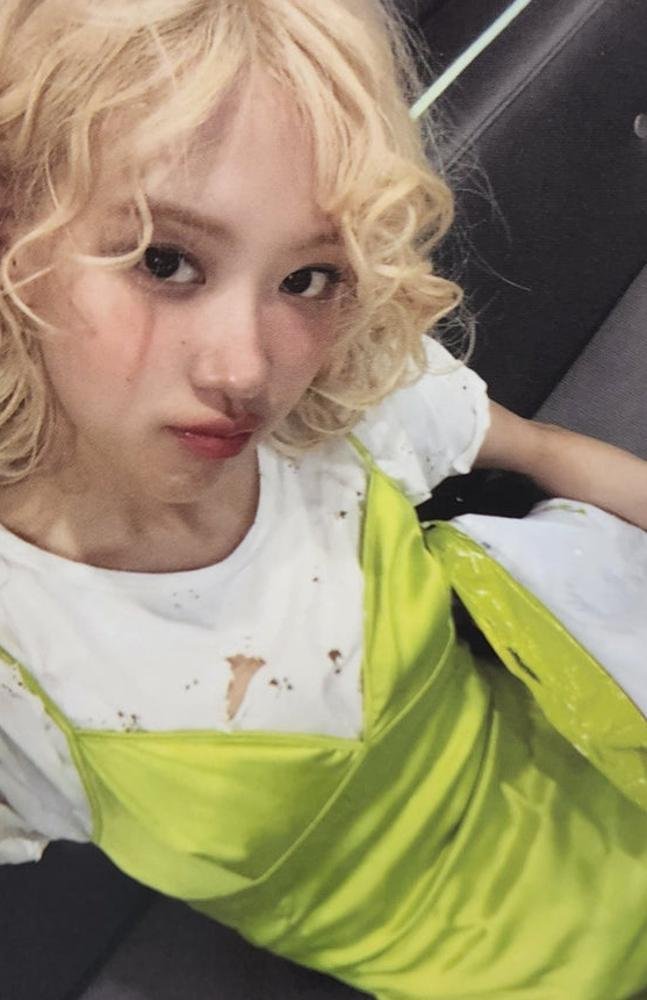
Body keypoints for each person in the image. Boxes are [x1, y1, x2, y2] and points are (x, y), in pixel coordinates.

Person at [0, 1, 645, 997]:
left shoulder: (341, 409)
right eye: (165, 261)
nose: (246, 370)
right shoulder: (18, 662)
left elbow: (546, 450)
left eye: (307, 276)